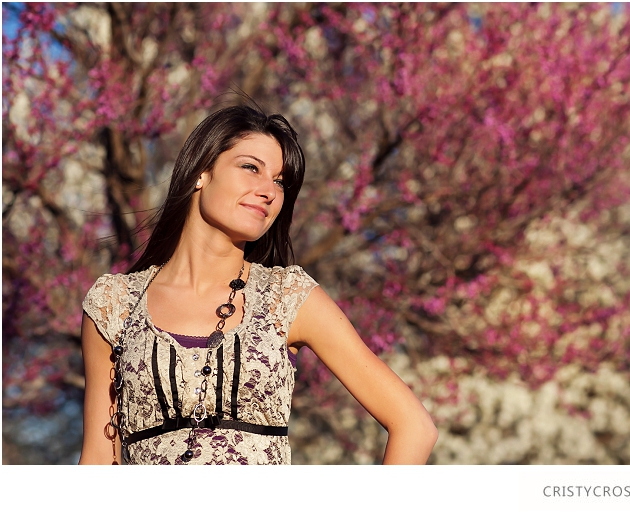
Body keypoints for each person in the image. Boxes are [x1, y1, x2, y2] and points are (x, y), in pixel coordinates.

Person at [79, 105, 438, 465]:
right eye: (251, 168)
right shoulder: (115, 304)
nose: (269, 191)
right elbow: (98, 459)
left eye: (280, 182)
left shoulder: (287, 297)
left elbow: (414, 426)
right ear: (201, 171)